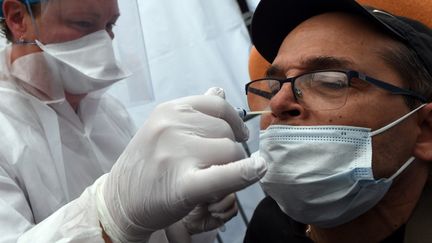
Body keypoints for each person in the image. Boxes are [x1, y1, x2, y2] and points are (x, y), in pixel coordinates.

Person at [0, 0, 267, 242]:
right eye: (83, 23)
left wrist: (180, 219)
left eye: (110, 25)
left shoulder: (108, 112)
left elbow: (147, 229)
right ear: (17, 18)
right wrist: (107, 219)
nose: (104, 41)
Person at [242, 0, 432, 242]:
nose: (278, 103)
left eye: (330, 81)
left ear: (425, 130)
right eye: (272, 87)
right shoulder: (268, 225)